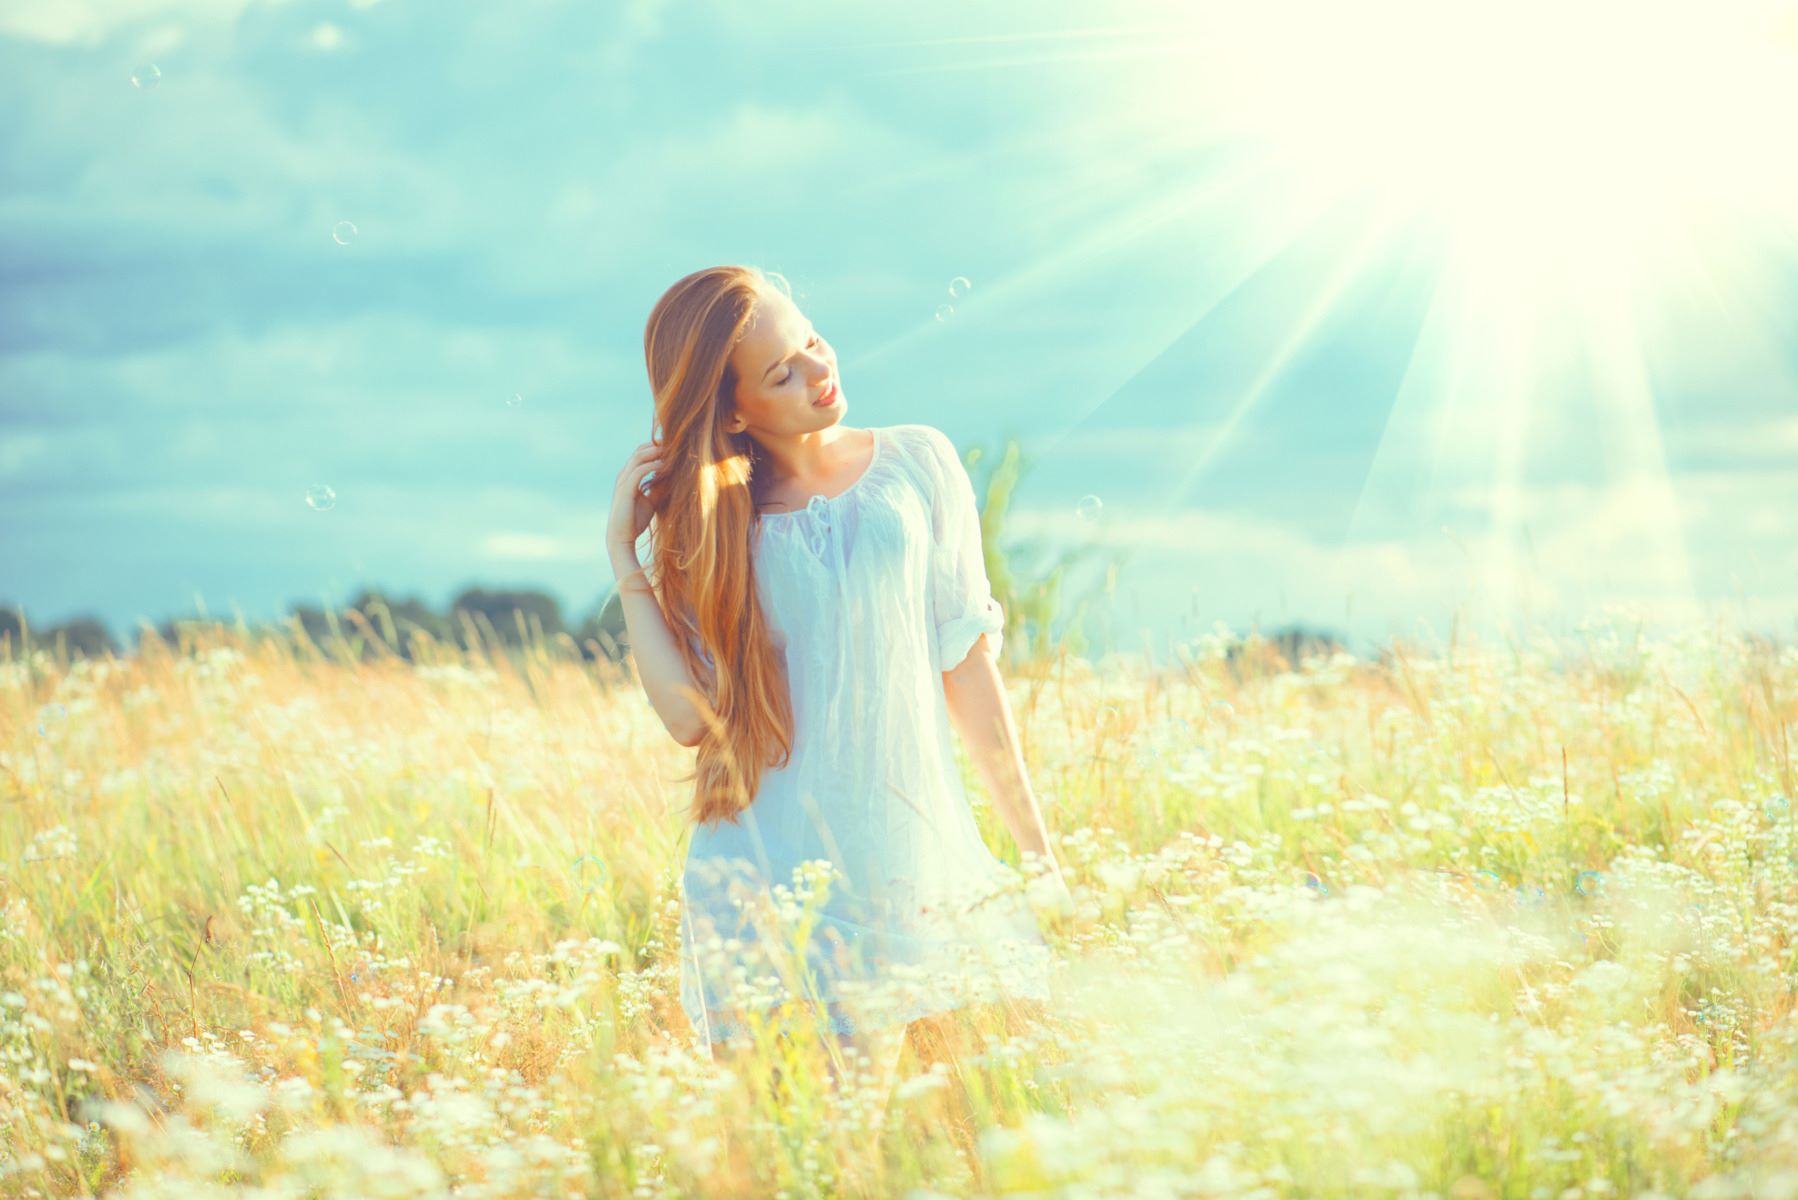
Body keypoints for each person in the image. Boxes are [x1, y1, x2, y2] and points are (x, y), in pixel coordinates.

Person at [605, 265, 1075, 1138]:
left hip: (880, 862)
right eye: (783, 371)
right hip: (750, 866)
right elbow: (685, 719)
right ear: (735, 409)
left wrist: (1035, 846)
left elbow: (965, 666)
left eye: (811, 340)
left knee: (841, 1149)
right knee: (767, 1158)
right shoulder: (713, 526)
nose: (818, 370)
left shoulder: (918, 462)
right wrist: (627, 566)